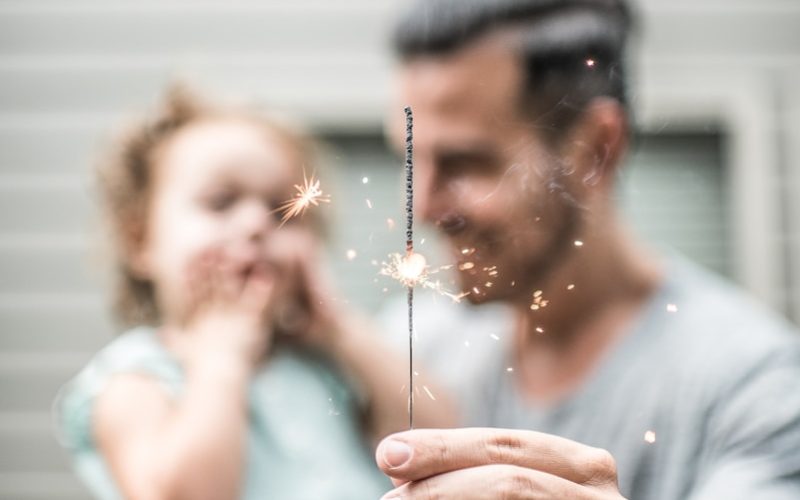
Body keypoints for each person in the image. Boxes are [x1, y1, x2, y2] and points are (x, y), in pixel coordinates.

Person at [374, 0, 800, 498]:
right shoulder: (420, 343)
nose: (423, 206)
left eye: (465, 163)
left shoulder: (753, 386)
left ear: (596, 149)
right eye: (411, 159)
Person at [54, 85, 452, 500]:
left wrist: (339, 327)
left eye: (285, 212)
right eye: (221, 202)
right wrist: (222, 356)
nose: (257, 224)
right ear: (140, 240)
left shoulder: (324, 366)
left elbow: (442, 442)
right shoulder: (136, 379)